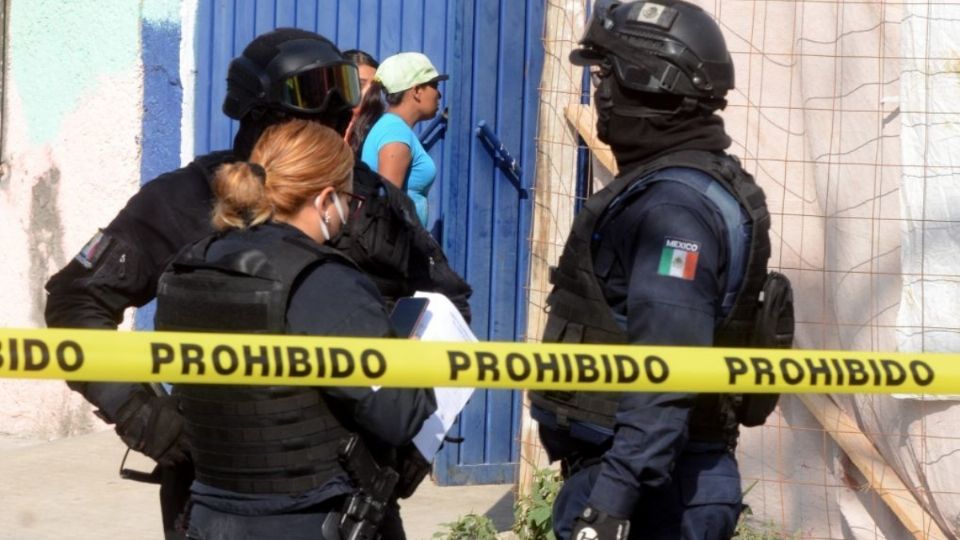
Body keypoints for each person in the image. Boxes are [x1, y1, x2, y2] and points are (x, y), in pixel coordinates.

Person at [43, 28, 469, 539]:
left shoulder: (366, 200)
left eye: (343, 99)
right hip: (216, 487)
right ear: (259, 114)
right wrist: (144, 415)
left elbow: (445, 306)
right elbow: (76, 301)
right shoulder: (185, 200)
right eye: (313, 101)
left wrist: (413, 446)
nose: (335, 119)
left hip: (345, 498)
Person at [528, 1, 791, 539]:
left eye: (606, 74)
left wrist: (610, 504)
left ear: (648, 79)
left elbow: (665, 368)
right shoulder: (683, 186)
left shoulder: (675, 208)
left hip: (655, 490)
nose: (599, 92)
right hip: (654, 476)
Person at [154, 118, 435, 540]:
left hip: (208, 515)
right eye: (348, 200)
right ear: (324, 199)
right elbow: (398, 413)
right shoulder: (322, 282)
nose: (349, 214)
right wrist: (412, 356)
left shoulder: (191, 264)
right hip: (307, 516)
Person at [351, 52, 447, 226]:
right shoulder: (395, 132)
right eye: (434, 85)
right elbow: (387, 208)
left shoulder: (394, 128)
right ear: (417, 91)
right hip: (396, 249)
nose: (439, 95)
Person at [342, 49, 380, 145]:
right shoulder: (317, 129)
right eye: (360, 84)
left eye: (374, 86)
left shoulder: (381, 131)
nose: (369, 91)